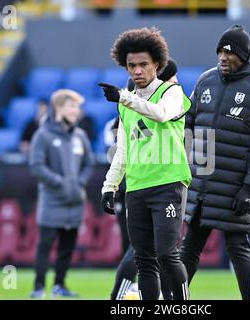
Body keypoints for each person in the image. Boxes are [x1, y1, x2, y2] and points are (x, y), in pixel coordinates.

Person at [181, 25, 250, 300]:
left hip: (235, 187)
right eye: (220, 52)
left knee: (238, 246)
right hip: (201, 185)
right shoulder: (205, 81)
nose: (223, 57)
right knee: (189, 248)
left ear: (244, 55)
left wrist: (249, 188)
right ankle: (175, 302)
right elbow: (188, 125)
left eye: (229, 52)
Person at [99, 27, 191, 300]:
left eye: (143, 64)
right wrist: (110, 185)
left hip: (168, 184)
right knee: (144, 260)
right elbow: (123, 150)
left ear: (157, 65)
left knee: (167, 255)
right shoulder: (126, 104)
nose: (136, 70)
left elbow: (162, 115)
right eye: (131, 65)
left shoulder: (172, 93)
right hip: (137, 188)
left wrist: (125, 98)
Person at [29, 89, 94, 298]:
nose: (77, 111)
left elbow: (88, 164)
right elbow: (37, 166)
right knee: (45, 246)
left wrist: (78, 183)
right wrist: (60, 182)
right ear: (59, 107)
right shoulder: (43, 135)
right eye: (73, 106)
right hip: (51, 201)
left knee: (67, 247)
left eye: (78, 106)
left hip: (75, 201)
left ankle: (60, 285)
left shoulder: (80, 135)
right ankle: (39, 288)